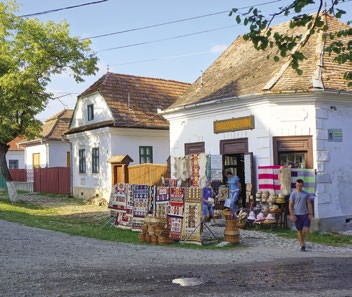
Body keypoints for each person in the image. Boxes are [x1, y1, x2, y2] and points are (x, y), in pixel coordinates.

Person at [289, 178, 314, 252]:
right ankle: (302, 245)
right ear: (295, 185)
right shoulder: (293, 194)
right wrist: (291, 215)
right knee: (299, 231)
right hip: (297, 215)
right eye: (297, 185)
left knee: (306, 229)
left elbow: (309, 204)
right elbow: (290, 205)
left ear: (302, 185)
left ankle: (301, 240)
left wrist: (310, 213)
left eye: (300, 185)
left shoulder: (306, 194)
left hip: (305, 214)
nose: (298, 187)